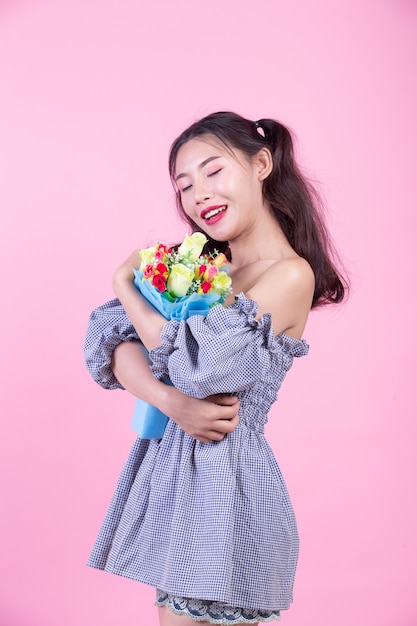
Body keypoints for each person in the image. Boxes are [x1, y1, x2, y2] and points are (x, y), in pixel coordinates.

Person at [84, 111, 347, 626]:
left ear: (261, 164)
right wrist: (171, 403)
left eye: (213, 171)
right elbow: (109, 343)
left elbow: (202, 369)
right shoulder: (202, 270)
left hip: (229, 485)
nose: (198, 194)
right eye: (184, 186)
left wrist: (123, 282)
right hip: (175, 479)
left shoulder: (290, 274)